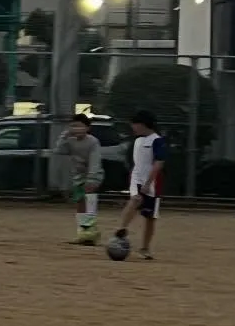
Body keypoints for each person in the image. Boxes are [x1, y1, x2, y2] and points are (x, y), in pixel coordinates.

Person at [114, 109, 167, 260]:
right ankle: (121, 228)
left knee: (150, 217)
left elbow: (158, 164)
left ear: (143, 125)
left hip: (152, 182)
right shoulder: (137, 141)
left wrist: (148, 183)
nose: (132, 127)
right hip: (137, 178)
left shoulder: (157, 141)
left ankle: (145, 248)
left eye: (134, 124)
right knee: (135, 199)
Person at [55, 112, 103, 244]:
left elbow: (95, 161)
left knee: (90, 200)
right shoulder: (70, 141)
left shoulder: (93, 142)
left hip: (93, 175)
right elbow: (59, 150)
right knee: (80, 203)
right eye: (74, 126)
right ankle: (83, 233)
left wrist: (92, 179)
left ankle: (92, 233)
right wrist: (65, 135)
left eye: (80, 126)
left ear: (88, 128)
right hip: (78, 176)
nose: (77, 129)